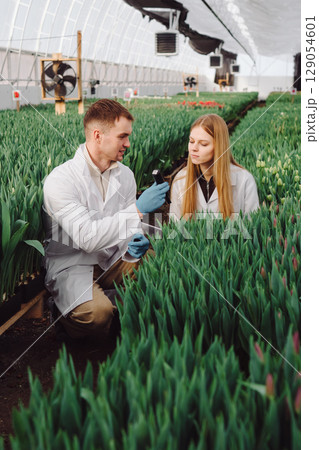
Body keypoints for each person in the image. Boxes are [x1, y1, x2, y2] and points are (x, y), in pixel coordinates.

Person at [43, 99, 169, 339]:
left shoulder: (126, 175)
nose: (128, 144)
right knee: (97, 316)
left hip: (112, 258)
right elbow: (88, 238)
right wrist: (139, 210)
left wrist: (137, 240)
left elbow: (127, 228)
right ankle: (64, 314)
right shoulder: (61, 180)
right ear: (98, 135)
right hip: (74, 264)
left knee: (159, 269)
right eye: (122, 136)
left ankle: (113, 303)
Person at [169, 114, 259, 220]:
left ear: (219, 147)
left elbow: (252, 228)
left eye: (203, 144)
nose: (194, 148)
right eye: (191, 141)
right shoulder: (181, 180)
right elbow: (175, 229)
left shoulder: (244, 180)